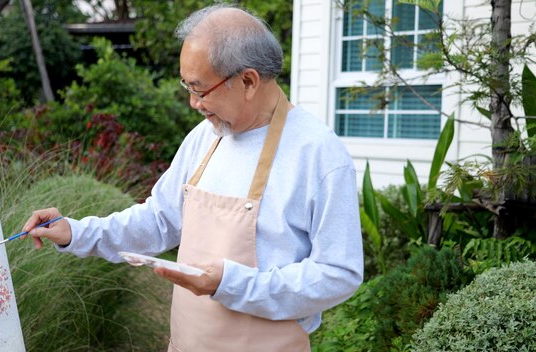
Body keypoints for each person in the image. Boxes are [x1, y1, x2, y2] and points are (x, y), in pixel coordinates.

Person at [23, 4, 363, 351]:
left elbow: (339, 272)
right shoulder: (205, 137)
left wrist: (233, 283)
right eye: (186, 86)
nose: (192, 103)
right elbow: (158, 220)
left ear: (248, 81)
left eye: (200, 89)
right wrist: (75, 232)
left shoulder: (317, 152)